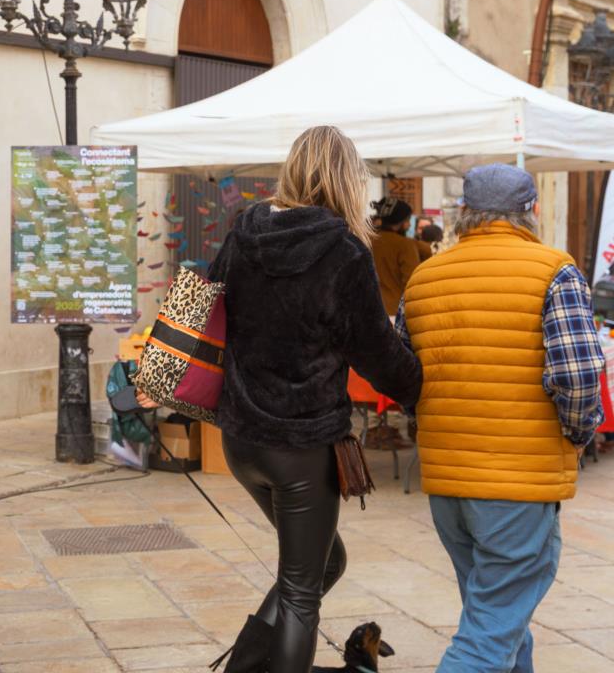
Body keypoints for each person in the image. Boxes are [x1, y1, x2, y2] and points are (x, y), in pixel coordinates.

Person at [138, 125, 421, 672]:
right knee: (301, 593)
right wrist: (417, 385)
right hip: (302, 446)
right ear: (346, 180)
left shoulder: (245, 231)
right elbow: (378, 354)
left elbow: (213, 310)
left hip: (243, 440)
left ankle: (246, 667)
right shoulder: (344, 251)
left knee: (323, 563)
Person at [398, 163, 605, 673]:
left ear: (464, 213)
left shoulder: (425, 275)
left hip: (448, 478)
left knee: (495, 612)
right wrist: (578, 435)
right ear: (532, 211)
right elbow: (577, 378)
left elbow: (401, 373)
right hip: (518, 478)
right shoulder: (554, 269)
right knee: (490, 630)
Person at [371, 197, 420, 316]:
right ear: (400, 223)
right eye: (408, 220)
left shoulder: (366, 240)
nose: (409, 225)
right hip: (395, 311)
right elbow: (412, 282)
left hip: (369, 309)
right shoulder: (404, 245)